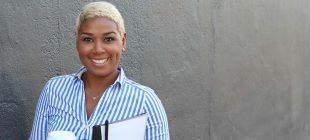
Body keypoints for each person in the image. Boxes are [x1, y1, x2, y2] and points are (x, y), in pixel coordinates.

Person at [29, 1, 170, 140]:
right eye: (88, 39)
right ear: (77, 42)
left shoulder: (145, 101)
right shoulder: (54, 90)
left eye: (108, 39)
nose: (98, 50)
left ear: (123, 41)